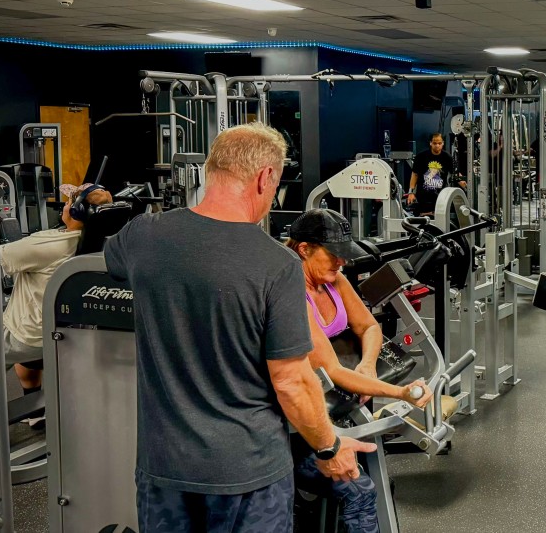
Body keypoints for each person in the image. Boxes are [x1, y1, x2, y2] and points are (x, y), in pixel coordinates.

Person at [104, 122, 374, 533]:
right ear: (266, 178)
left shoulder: (142, 235)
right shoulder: (277, 265)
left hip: (163, 468)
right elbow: (292, 383)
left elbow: (102, 255)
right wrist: (329, 447)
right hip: (248, 474)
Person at [286, 208, 432, 532]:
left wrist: (367, 366)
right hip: (300, 429)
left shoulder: (334, 280)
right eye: (334, 254)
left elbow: (369, 326)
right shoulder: (290, 292)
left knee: (379, 485)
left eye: (344, 255)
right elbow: (332, 369)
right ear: (304, 249)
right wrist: (402, 392)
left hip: (341, 409)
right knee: (363, 492)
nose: (342, 262)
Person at [1, 182, 113, 427]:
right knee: (26, 364)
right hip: (60, 333)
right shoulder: (98, 241)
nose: (64, 204)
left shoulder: (50, 247)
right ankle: (36, 414)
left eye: (69, 202)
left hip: (27, 335)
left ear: (77, 212)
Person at [407, 132, 461, 215]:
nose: (437, 145)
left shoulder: (447, 158)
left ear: (443, 143)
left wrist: (464, 183)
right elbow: (415, 175)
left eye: (439, 143)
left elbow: (455, 174)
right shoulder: (421, 157)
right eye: (435, 143)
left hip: (440, 197)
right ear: (430, 143)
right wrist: (411, 192)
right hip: (423, 197)